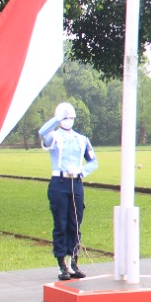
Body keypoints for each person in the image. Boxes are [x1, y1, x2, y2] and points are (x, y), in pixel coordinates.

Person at [40, 100, 98, 281]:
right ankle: (61, 263)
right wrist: (56, 118)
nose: (68, 120)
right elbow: (42, 133)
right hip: (59, 182)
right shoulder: (54, 136)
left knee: (75, 223)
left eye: (70, 117)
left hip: (76, 182)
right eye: (65, 117)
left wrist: (82, 170)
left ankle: (74, 261)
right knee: (61, 223)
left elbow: (93, 162)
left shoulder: (82, 139)